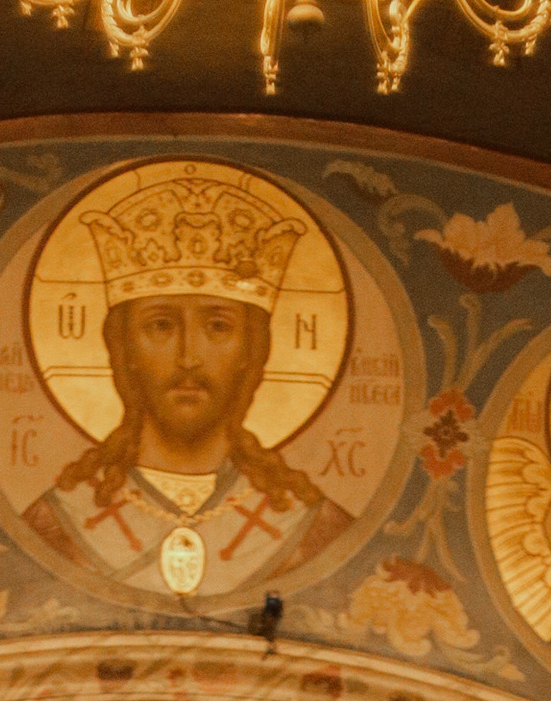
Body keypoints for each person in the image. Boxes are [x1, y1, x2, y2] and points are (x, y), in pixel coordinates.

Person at [25, 171, 352, 600]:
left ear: (250, 351)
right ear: (124, 350)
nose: (188, 357)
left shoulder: (317, 531)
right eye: (160, 326)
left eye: (218, 326)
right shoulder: (54, 527)